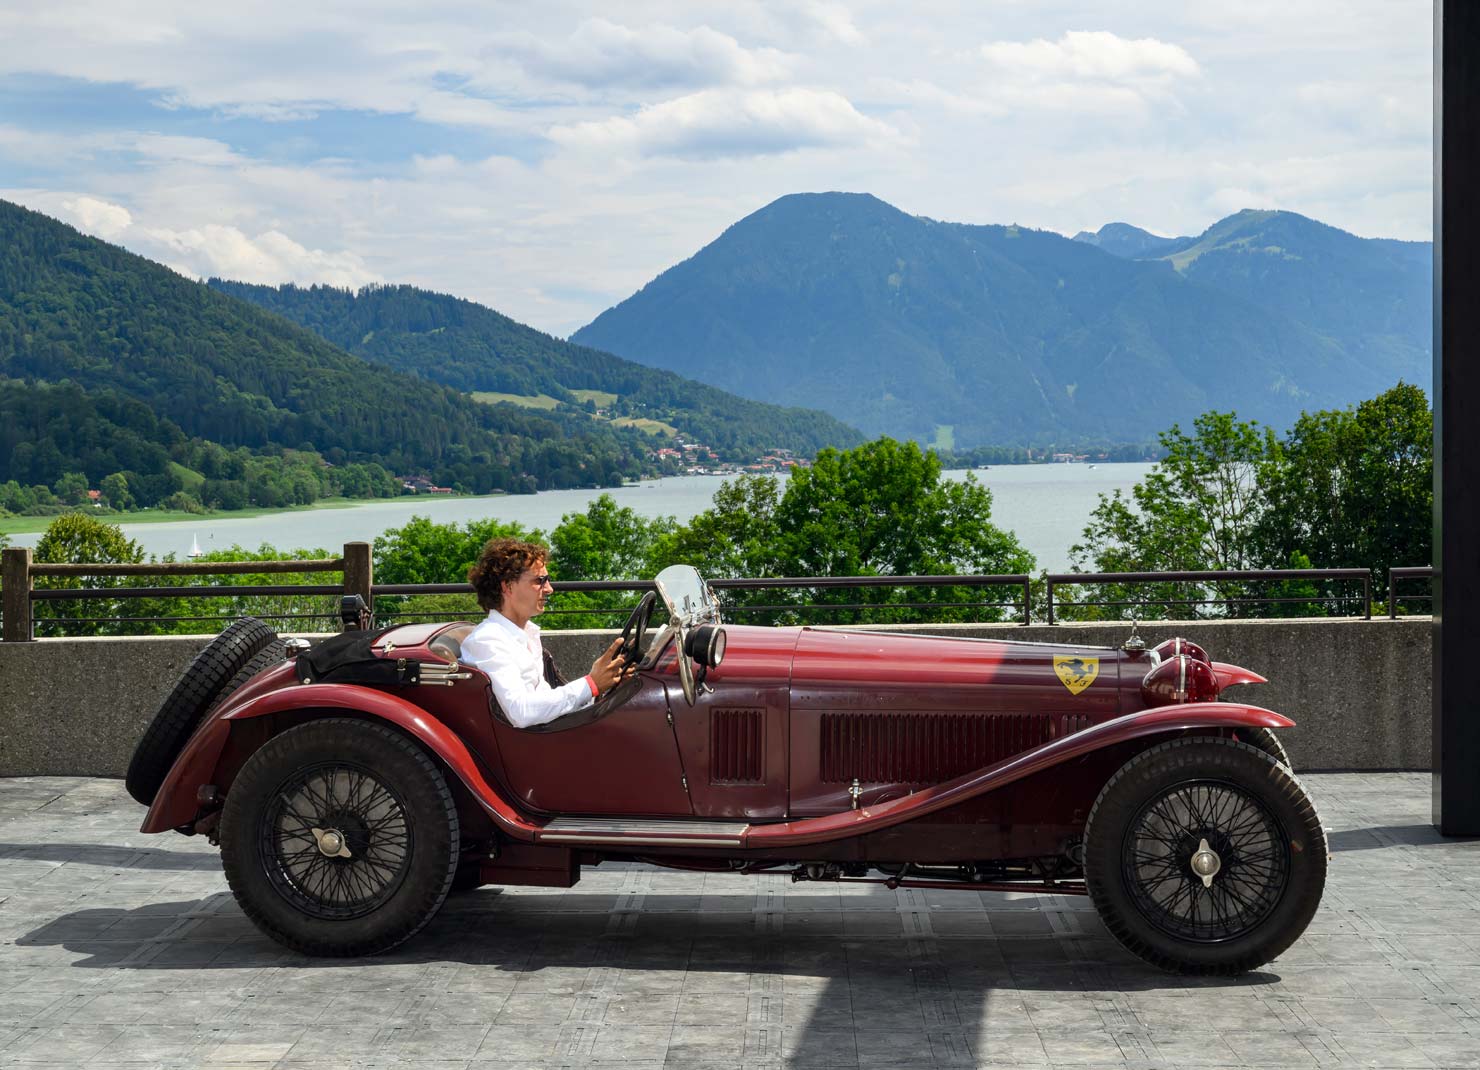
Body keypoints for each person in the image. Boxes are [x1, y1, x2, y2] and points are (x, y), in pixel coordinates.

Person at [461, 537, 633, 728]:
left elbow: (543, 702)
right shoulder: (488, 641)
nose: (549, 589)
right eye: (539, 581)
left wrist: (602, 686)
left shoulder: (523, 634)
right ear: (508, 586)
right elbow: (522, 712)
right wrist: (590, 684)